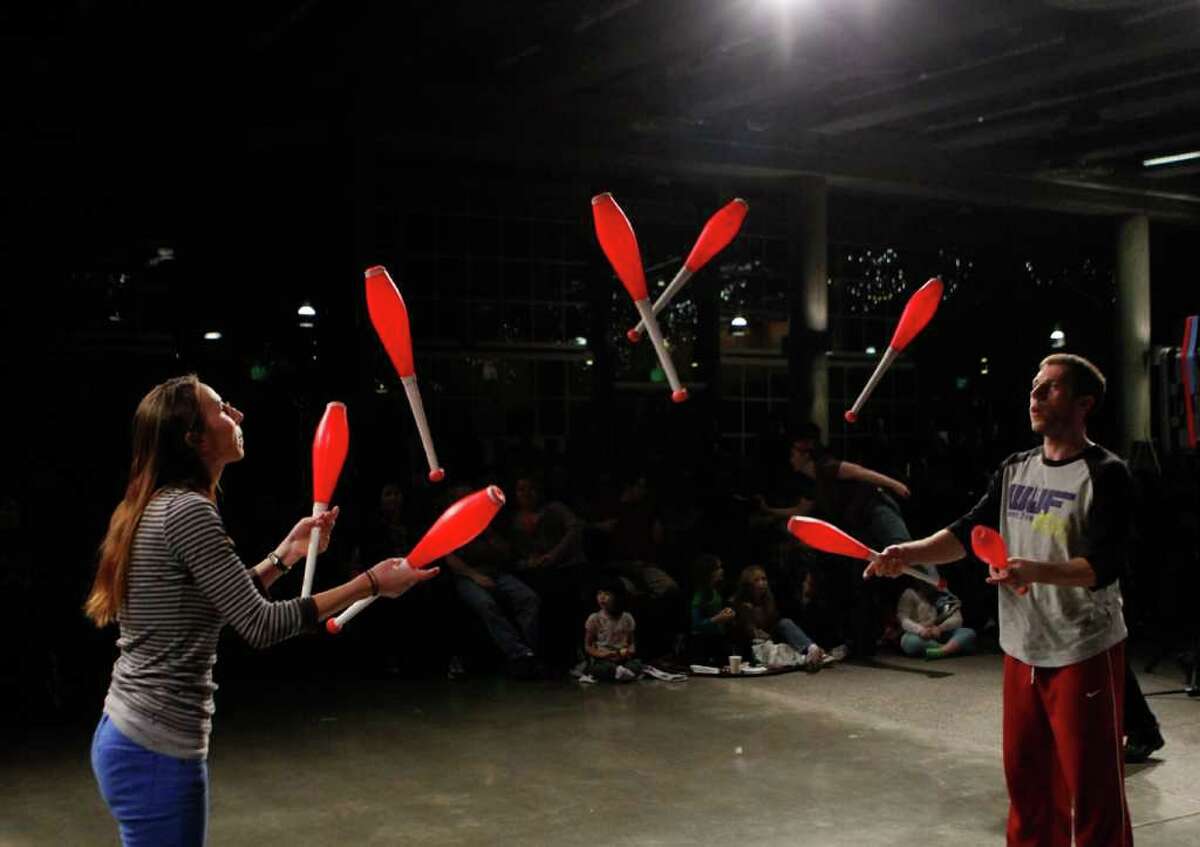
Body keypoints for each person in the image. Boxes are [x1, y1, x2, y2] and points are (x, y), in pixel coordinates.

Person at [85, 375, 435, 847]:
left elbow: (216, 603)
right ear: (195, 438)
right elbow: (260, 624)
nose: (238, 416)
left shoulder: (161, 504)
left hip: (133, 735)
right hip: (155, 748)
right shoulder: (188, 511)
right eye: (222, 409)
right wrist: (371, 583)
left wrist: (285, 554)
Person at [869, 354, 1134, 846]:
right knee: (1028, 786)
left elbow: (1104, 566)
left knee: (1093, 793)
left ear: (1083, 404)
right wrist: (906, 551)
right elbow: (968, 533)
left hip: (1083, 649)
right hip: (1021, 648)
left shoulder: (1106, 473)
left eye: (1050, 388)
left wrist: (1034, 569)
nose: (1034, 396)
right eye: (1034, 385)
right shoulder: (1015, 468)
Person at [758, 423, 928, 657]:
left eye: (793, 454)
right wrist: (768, 511)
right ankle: (865, 640)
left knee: (904, 548)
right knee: (868, 573)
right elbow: (800, 511)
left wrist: (895, 485)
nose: (790, 459)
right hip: (862, 523)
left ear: (805, 454)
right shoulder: (814, 485)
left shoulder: (825, 466)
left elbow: (859, 472)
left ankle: (936, 590)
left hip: (876, 506)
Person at [732, 565, 830, 667]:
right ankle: (808, 658)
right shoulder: (742, 604)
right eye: (756, 580)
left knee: (785, 623)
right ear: (748, 585)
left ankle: (812, 649)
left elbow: (774, 623)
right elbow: (748, 631)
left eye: (764, 579)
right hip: (753, 645)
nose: (762, 583)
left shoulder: (769, 600)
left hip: (770, 639)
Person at [896, 583, 977, 660]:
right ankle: (951, 648)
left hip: (939, 633)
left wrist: (940, 628)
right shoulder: (910, 593)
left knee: (968, 632)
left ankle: (943, 651)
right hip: (920, 635)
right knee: (908, 641)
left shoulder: (943, 594)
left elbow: (958, 619)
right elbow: (903, 619)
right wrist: (920, 630)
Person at [582, 581, 643, 682]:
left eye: (607, 594)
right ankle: (619, 673)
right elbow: (588, 646)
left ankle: (621, 672)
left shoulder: (627, 617)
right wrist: (602, 654)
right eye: (599, 593)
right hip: (603, 659)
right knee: (602, 668)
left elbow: (631, 642)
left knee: (637, 664)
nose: (602, 597)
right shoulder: (594, 618)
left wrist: (630, 651)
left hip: (622, 658)